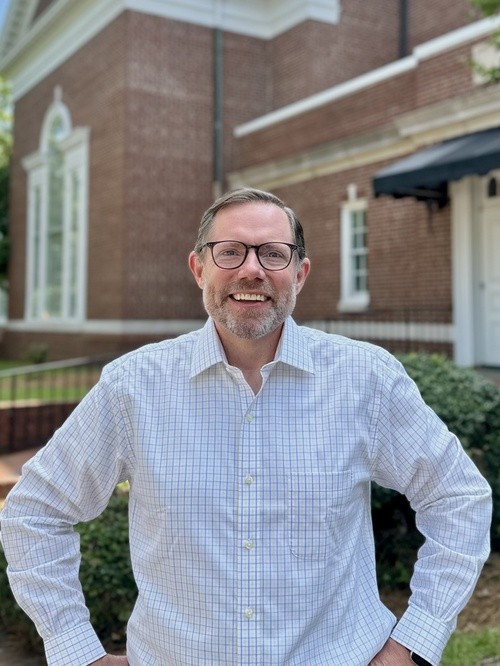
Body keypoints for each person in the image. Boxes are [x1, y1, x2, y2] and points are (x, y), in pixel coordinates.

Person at [0, 188, 492, 666]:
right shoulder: (133, 388)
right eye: (230, 251)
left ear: (300, 274)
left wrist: (414, 643)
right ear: (199, 268)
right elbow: (35, 512)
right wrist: (76, 650)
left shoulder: (366, 380)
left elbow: (457, 496)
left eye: (273, 254)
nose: (252, 269)